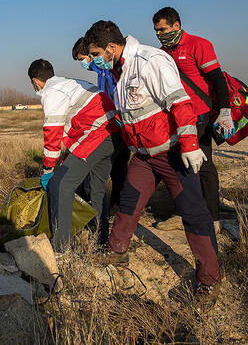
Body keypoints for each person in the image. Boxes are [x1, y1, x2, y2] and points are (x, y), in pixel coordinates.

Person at [83, 20, 221, 299]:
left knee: (194, 214)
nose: (95, 60)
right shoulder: (122, 71)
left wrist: (190, 144)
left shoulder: (150, 61)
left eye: (97, 54)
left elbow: (180, 102)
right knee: (128, 203)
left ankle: (209, 279)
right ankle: (117, 251)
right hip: (144, 156)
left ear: (111, 47)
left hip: (171, 152)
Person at [152, 7, 233, 233]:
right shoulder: (161, 53)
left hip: (199, 115)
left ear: (176, 25)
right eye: (156, 31)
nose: (160, 34)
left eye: (163, 29)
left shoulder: (199, 45)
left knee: (203, 163)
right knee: (178, 163)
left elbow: (217, 78)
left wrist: (224, 111)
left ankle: (213, 217)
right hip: (175, 117)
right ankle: (182, 213)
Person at [28, 58, 122, 250]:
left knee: (60, 184)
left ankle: (60, 248)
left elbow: (53, 132)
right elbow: (75, 126)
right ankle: (101, 241)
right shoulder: (68, 83)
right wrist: (65, 159)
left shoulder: (51, 92)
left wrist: (48, 170)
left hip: (96, 136)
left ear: (35, 81)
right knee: (96, 189)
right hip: (114, 135)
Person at [72, 37, 130, 245]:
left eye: (84, 58)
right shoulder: (102, 73)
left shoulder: (109, 72)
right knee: (116, 173)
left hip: (117, 128)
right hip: (115, 128)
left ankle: (106, 220)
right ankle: (114, 211)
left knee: (102, 177)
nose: (84, 63)